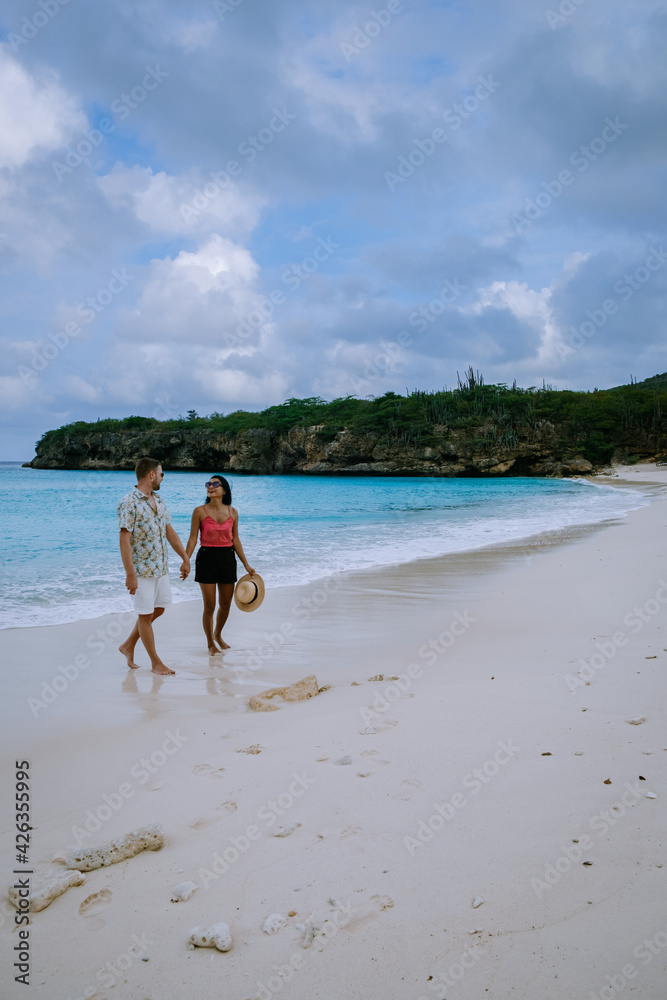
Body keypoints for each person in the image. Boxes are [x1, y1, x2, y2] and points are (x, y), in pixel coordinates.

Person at [117, 457, 190, 675]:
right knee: (145, 616)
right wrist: (130, 575)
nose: (162, 477)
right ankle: (156, 662)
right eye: (161, 473)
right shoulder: (129, 502)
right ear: (151, 474)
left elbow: (169, 531)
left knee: (159, 608)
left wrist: (185, 558)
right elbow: (124, 540)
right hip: (141, 572)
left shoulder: (158, 500)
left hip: (160, 568)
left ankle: (128, 645)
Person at [186, 474, 255, 654]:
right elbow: (193, 538)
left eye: (215, 484)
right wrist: (186, 560)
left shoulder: (233, 512)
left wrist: (246, 564)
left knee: (226, 604)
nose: (211, 487)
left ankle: (218, 634)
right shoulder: (199, 511)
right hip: (206, 558)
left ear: (224, 489)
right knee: (209, 605)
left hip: (227, 557)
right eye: (208, 484)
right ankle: (210, 643)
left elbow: (236, 540)